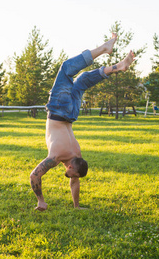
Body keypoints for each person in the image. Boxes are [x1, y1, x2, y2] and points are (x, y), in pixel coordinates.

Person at [30, 33, 136, 211]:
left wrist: (77, 206)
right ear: (71, 166)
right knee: (66, 69)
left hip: (71, 114)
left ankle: (119, 66)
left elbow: (74, 183)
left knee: (83, 80)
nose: (72, 177)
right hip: (58, 110)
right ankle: (104, 48)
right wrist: (40, 200)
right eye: (74, 174)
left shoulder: (77, 155)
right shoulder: (56, 157)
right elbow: (34, 175)